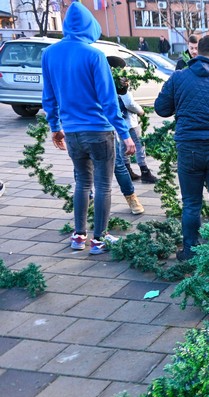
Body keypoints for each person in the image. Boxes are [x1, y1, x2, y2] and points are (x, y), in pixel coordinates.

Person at [42, 2, 135, 255]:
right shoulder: (94, 55)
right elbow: (108, 101)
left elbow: (48, 97)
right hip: (98, 131)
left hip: (71, 132)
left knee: (82, 183)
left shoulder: (49, 54)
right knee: (103, 185)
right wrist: (125, 134)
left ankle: (78, 236)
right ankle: (99, 240)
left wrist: (55, 126)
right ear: (88, 25)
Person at [155, 33, 209, 261]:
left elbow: (161, 109)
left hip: (189, 149)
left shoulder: (178, 78)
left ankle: (190, 251)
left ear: (196, 53)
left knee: (191, 203)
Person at [106, 56, 144, 215]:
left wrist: (122, 89)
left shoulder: (112, 83)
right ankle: (89, 199)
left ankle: (131, 196)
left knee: (119, 164)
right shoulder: (97, 78)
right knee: (85, 171)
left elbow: (115, 108)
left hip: (106, 128)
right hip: (87, 127)